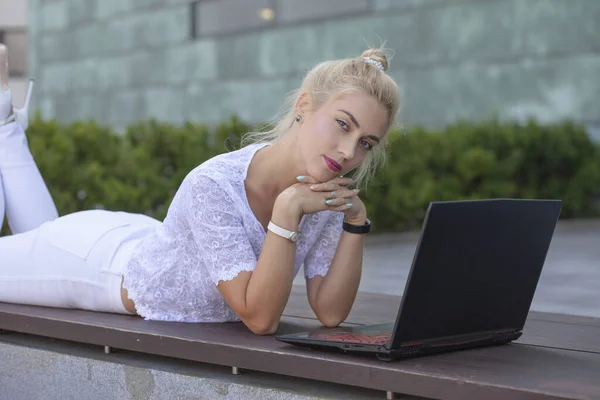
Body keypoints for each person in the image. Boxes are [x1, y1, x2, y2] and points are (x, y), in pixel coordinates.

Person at [0, 43, 401, 335]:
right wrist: (286, 210)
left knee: (40, 228)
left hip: (139, 235)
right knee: (44, 235)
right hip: (91, 265)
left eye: (367, 142)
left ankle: (3, 118)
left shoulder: (322, 196)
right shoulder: (214, 184)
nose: (350, 152)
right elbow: (260, 318)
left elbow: (329, 312)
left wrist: (355, 222)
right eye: (343, 124)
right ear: (303, 105)